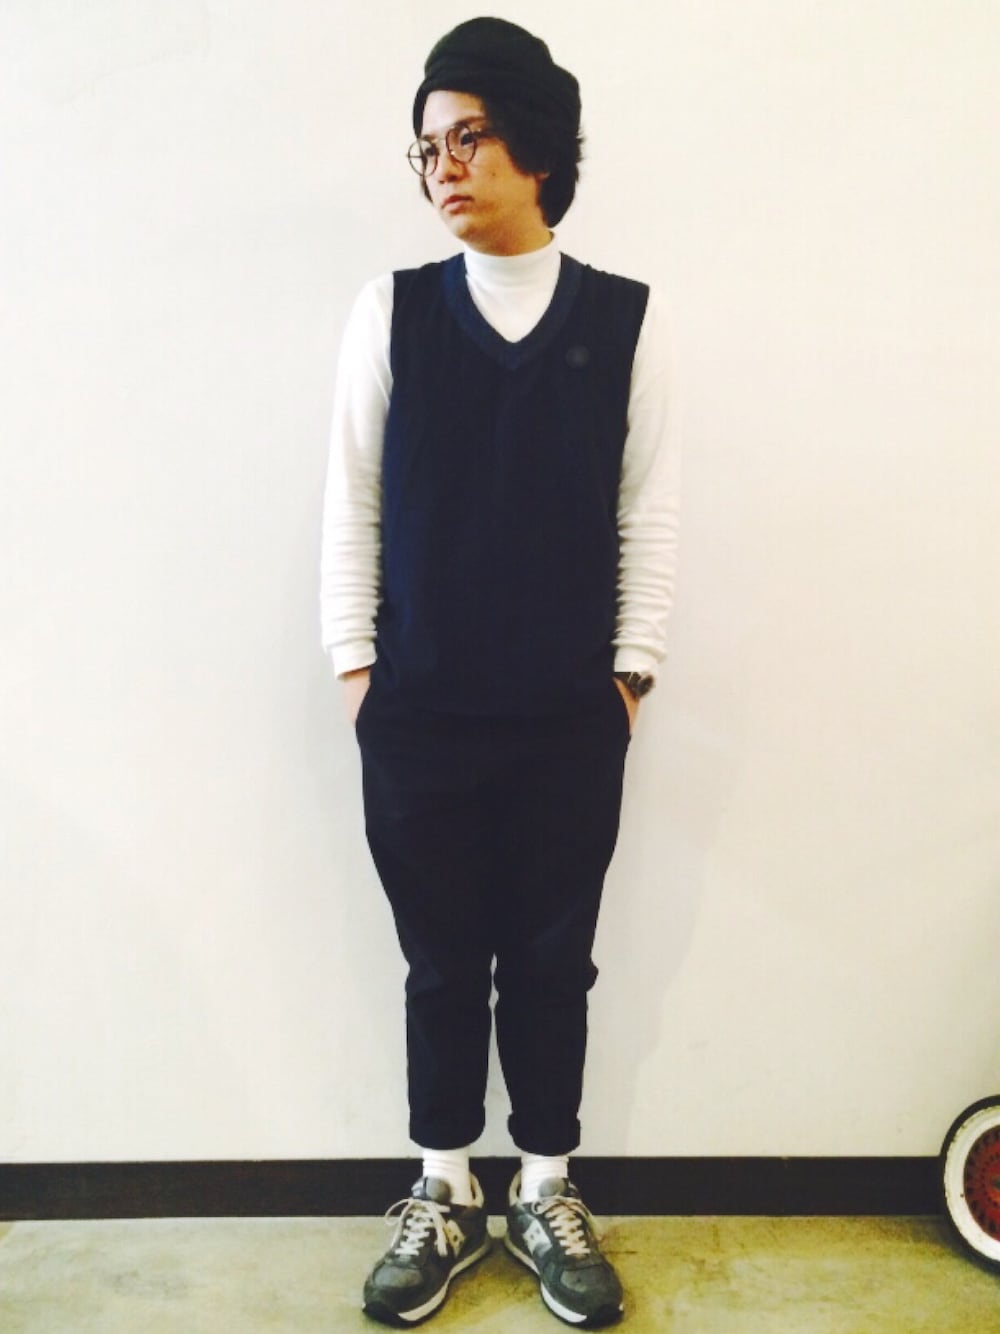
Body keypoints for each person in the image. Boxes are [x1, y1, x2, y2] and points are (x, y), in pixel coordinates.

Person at [320, 17, 678, 1327]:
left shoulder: (626, 320)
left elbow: (649, 513)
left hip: (569, 717)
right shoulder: (394, 313)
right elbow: (352, 504)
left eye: (468, 136)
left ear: (537, 143)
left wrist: (630, 679)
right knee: (437, 962)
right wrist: (359, 674)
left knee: (551, 961)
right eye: (426, 148)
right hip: (418, 713)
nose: (445, 167)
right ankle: (441, 1187)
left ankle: (544, 1185)